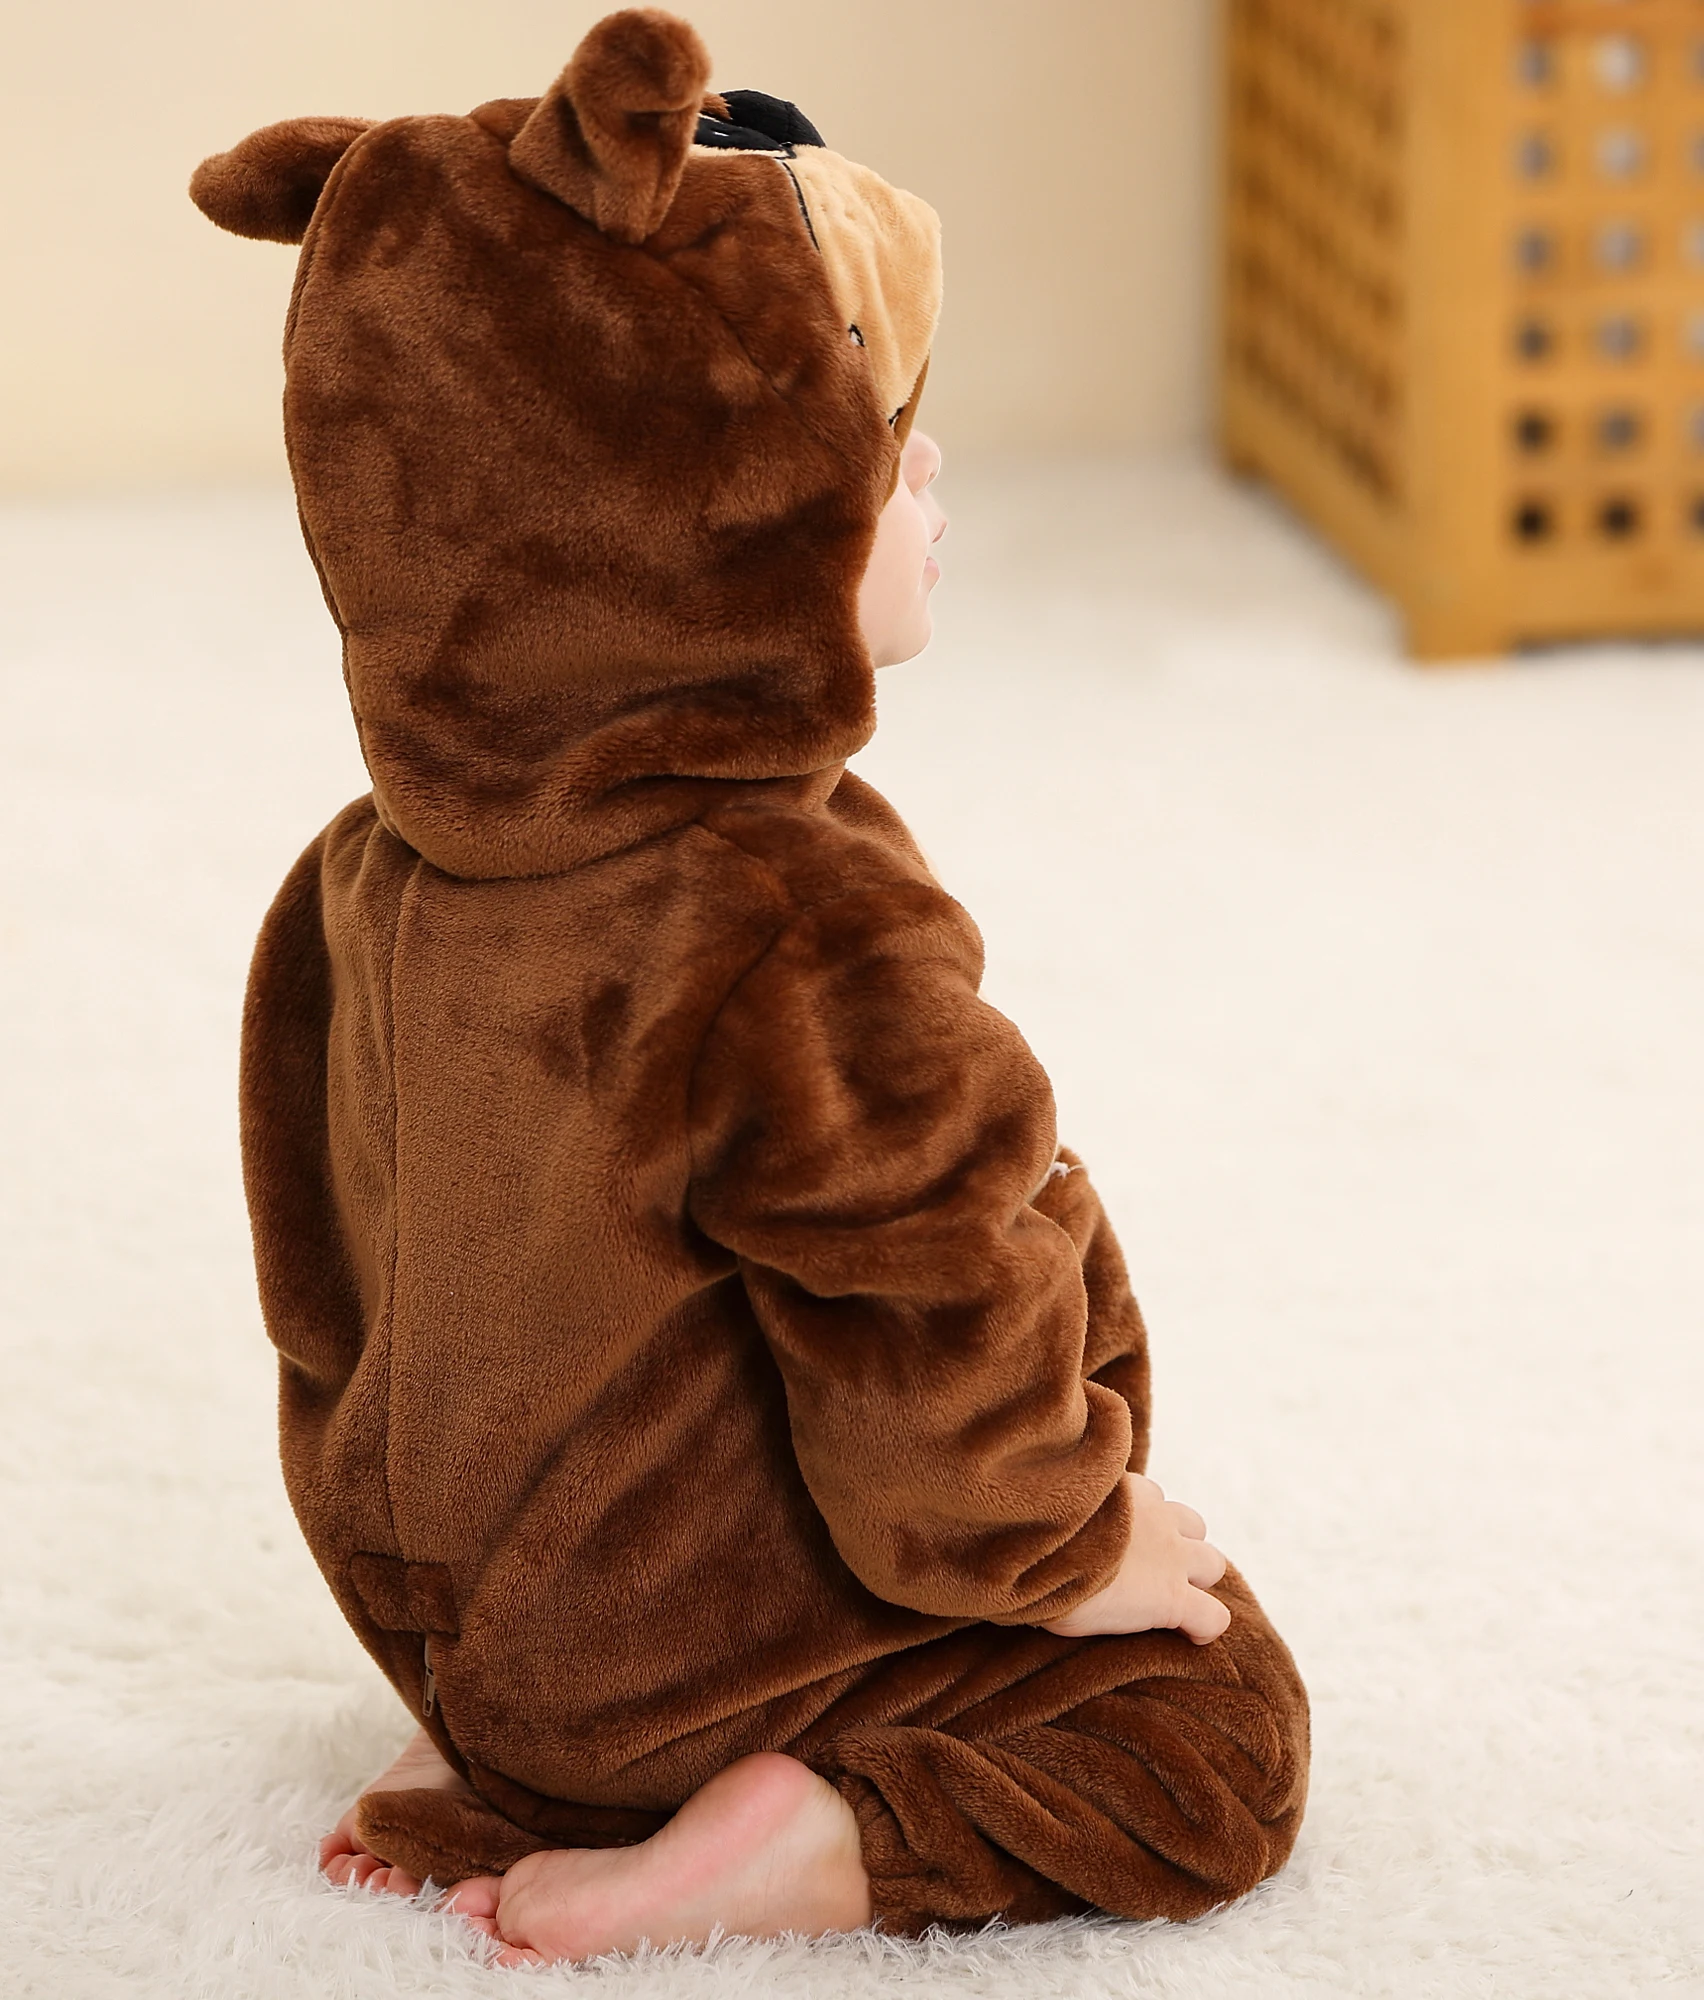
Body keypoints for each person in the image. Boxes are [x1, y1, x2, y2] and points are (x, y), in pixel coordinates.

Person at [191, 7, 1308, 1967]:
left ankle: (527, 1771)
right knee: (1217, 1727)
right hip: (704, 1658)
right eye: (875, 436)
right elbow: (928, 1296)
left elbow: (337, 1291)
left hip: (477, 1642)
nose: (928, 462)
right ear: (704, 517)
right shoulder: (794, 915)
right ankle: (802, 1834)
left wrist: (498, 1672)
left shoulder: (363, 875)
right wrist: (1063, 1545)